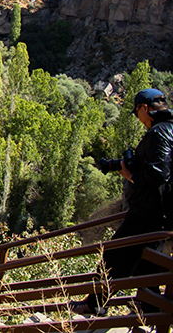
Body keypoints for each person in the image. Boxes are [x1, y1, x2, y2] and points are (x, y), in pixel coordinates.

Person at [71, 88, 173, 316]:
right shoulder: (170, 130)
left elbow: (158, 173)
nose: (138, 118)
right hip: (165, 214)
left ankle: (95, 302)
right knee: (147, 265)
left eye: (137, 112)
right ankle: (152, 311)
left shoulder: (158, 133)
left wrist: (131, 176)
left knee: (114, 254)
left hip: (148, 211)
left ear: (144, 108)